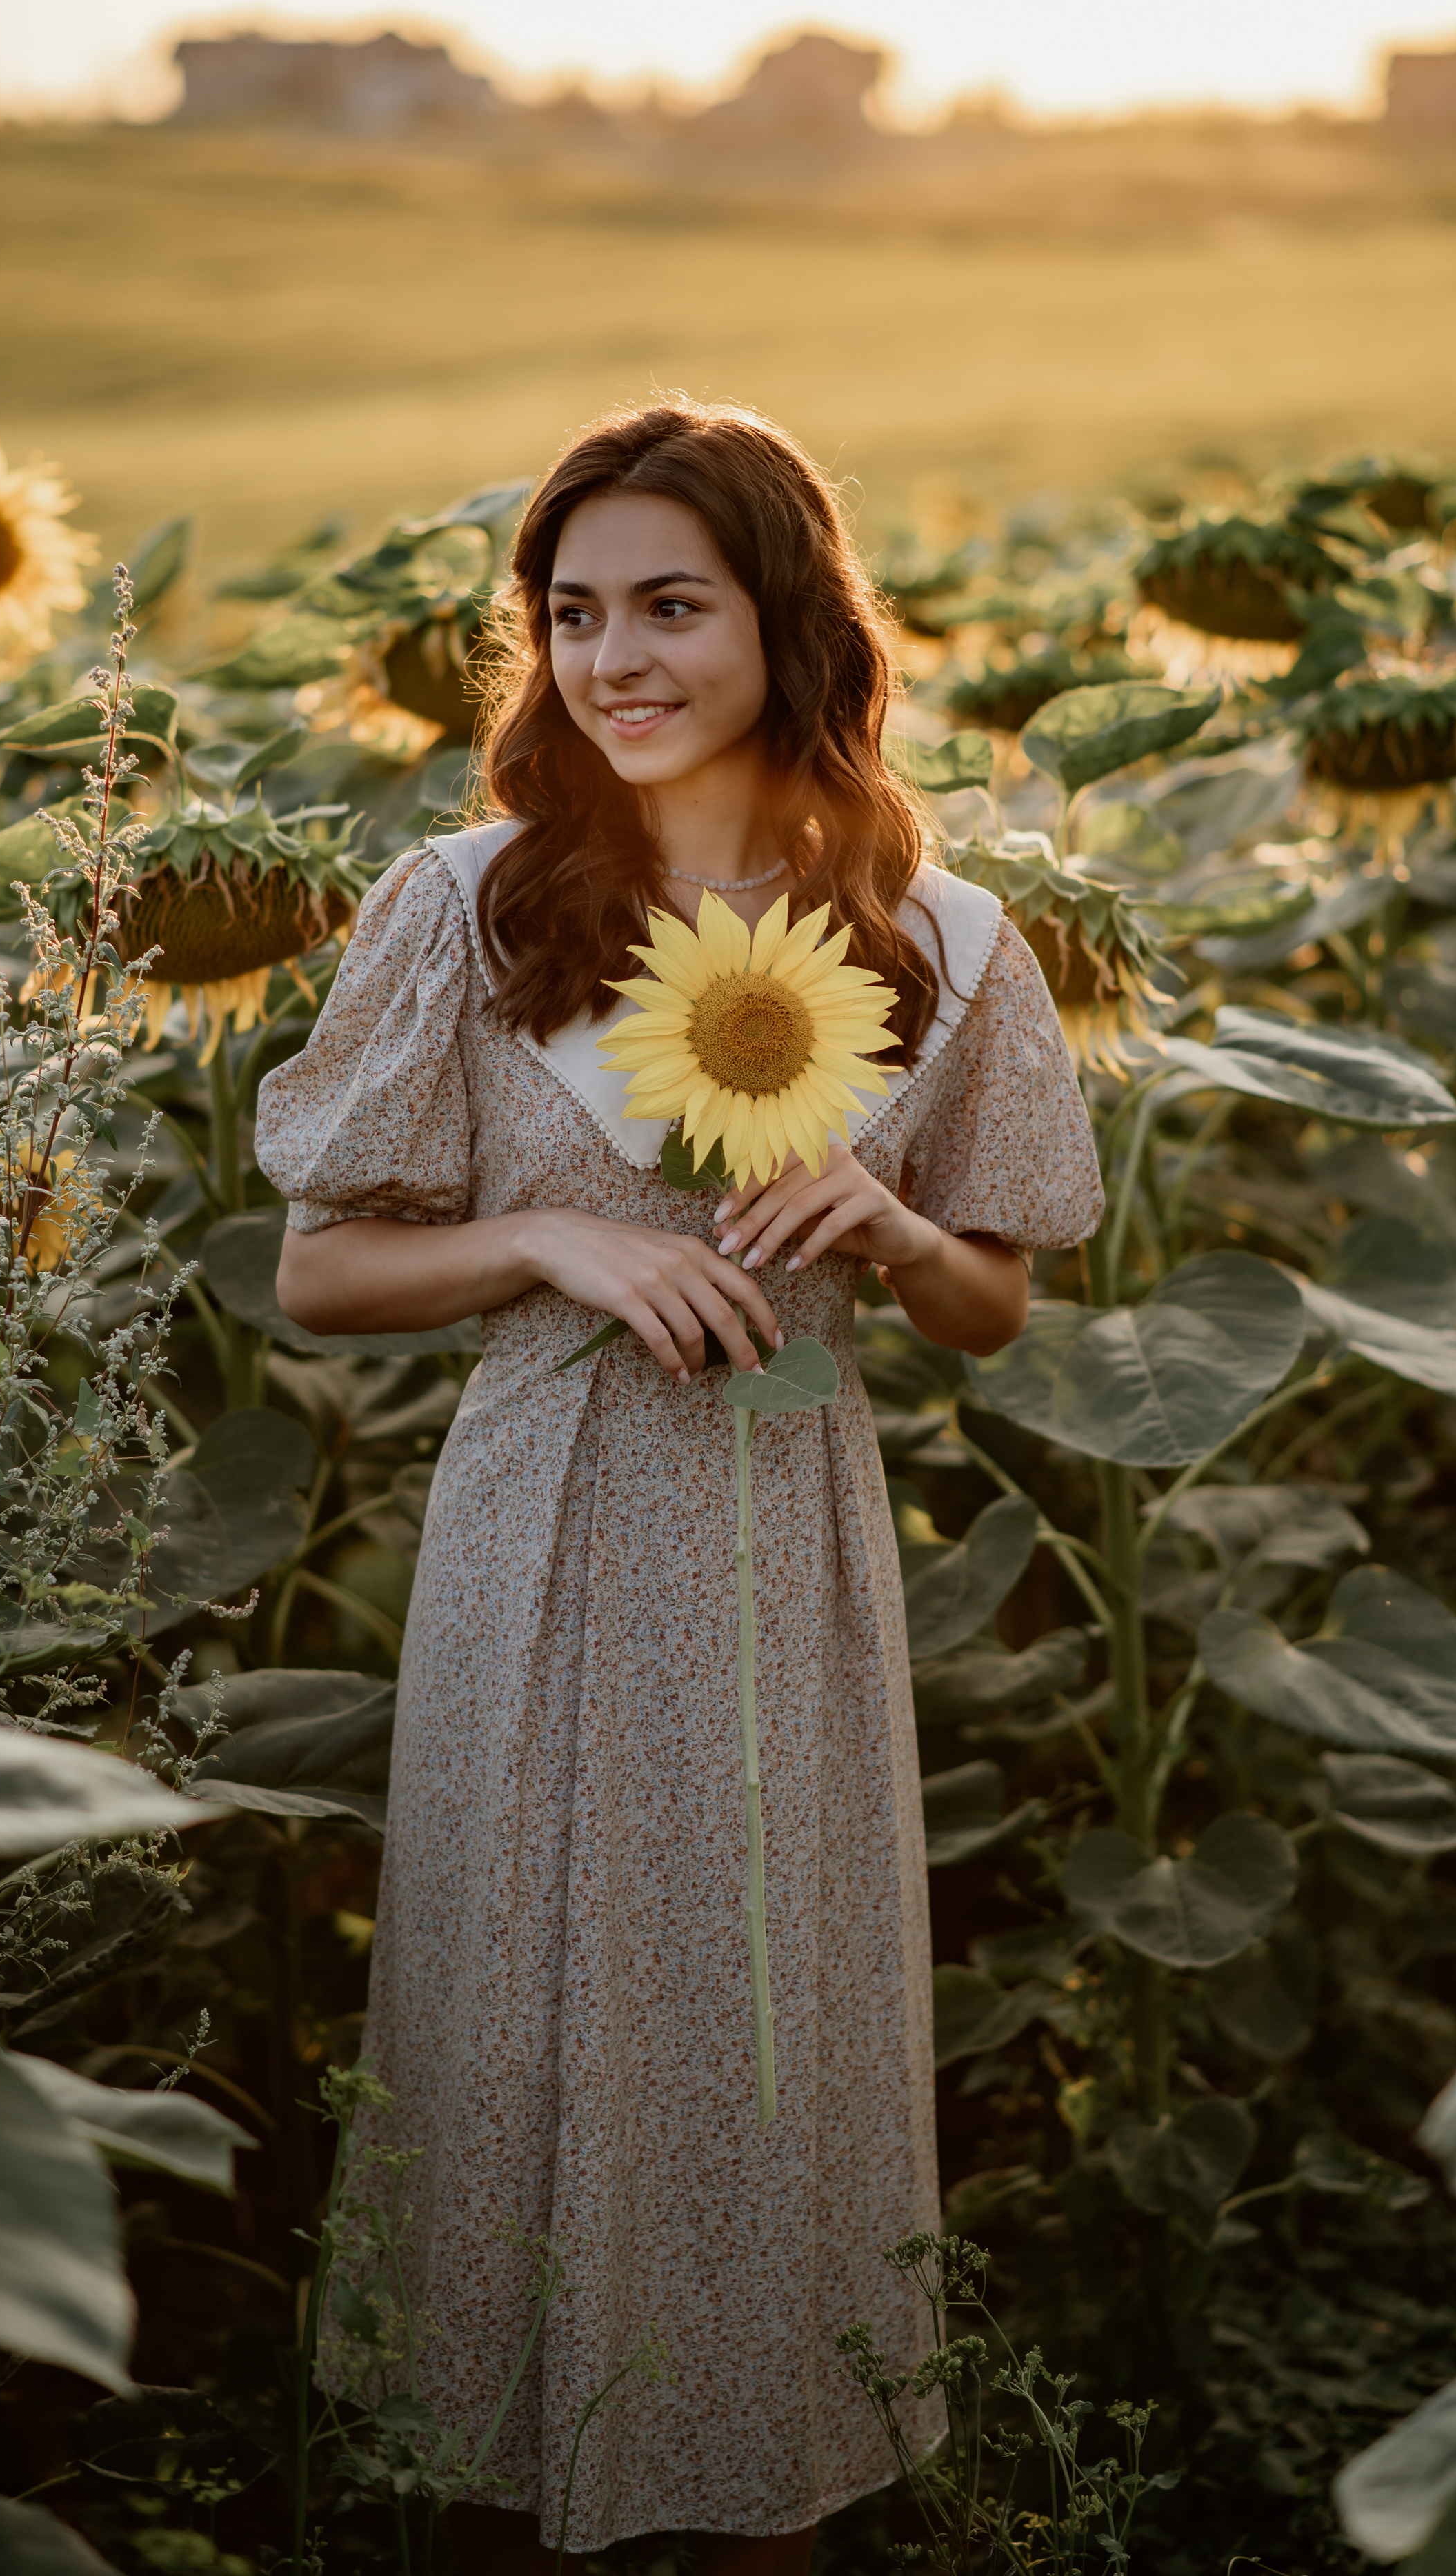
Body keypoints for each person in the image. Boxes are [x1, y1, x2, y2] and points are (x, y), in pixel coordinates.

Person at [255, 399, 1104, 2573]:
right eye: (572, 616)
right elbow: (320, 1270)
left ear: (785, 621)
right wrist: (551, 1237)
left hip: (785, 1536)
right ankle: (504, 2481)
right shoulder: (465, 906)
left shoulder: (953, 942)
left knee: (764, 2017)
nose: (613, 659)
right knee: (524, 1990)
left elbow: (993, 1303)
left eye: (670, 607)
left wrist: (895, 1235)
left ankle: (755, 2497)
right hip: (539, 1528)